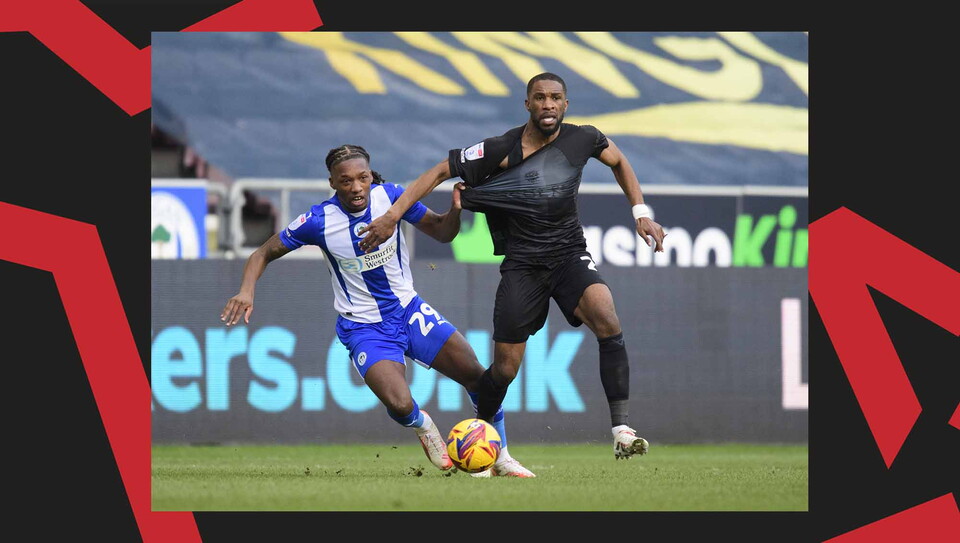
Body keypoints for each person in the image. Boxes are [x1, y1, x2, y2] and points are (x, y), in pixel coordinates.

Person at [359, 73, 667, 460]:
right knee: (504, 370)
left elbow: (618, 160)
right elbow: (438, 172)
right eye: (540, 97)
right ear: (527, 104)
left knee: (606, 315)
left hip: (569, 254)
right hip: (522, 266)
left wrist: (640, 213)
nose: (548, 104)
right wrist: (392, 216)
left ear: (565, 104)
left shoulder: (584, 138)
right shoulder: (500, 148)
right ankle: (481, 433)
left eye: (555, 98)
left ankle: (621, 430)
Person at [220, 144, 534, 477]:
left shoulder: (392, 198)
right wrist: (246, 290)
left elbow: (443, 232)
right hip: (364, 328)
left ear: (371, 176)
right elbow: (262, 253)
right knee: (400, 405)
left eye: (363, 178)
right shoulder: (318, 221)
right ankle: (423, 425)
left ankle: (501, 457)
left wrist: (455, 210)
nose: (356, 187)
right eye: (346, 181)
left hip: (410, 312)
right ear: (332, 183)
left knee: (480, 380)